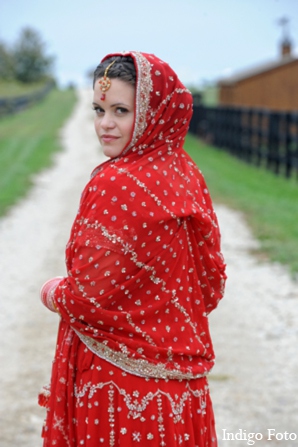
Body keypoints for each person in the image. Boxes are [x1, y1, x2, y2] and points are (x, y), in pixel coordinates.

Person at [39, 51, 227, 447]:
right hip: (183, 389)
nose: (104, 125)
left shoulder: (114, 182)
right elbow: (209, 286)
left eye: (120, 110)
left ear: (152, 113)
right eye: (98, 109)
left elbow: (87, 294)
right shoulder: (184, 172)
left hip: (118, 387)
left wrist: (54, 292)